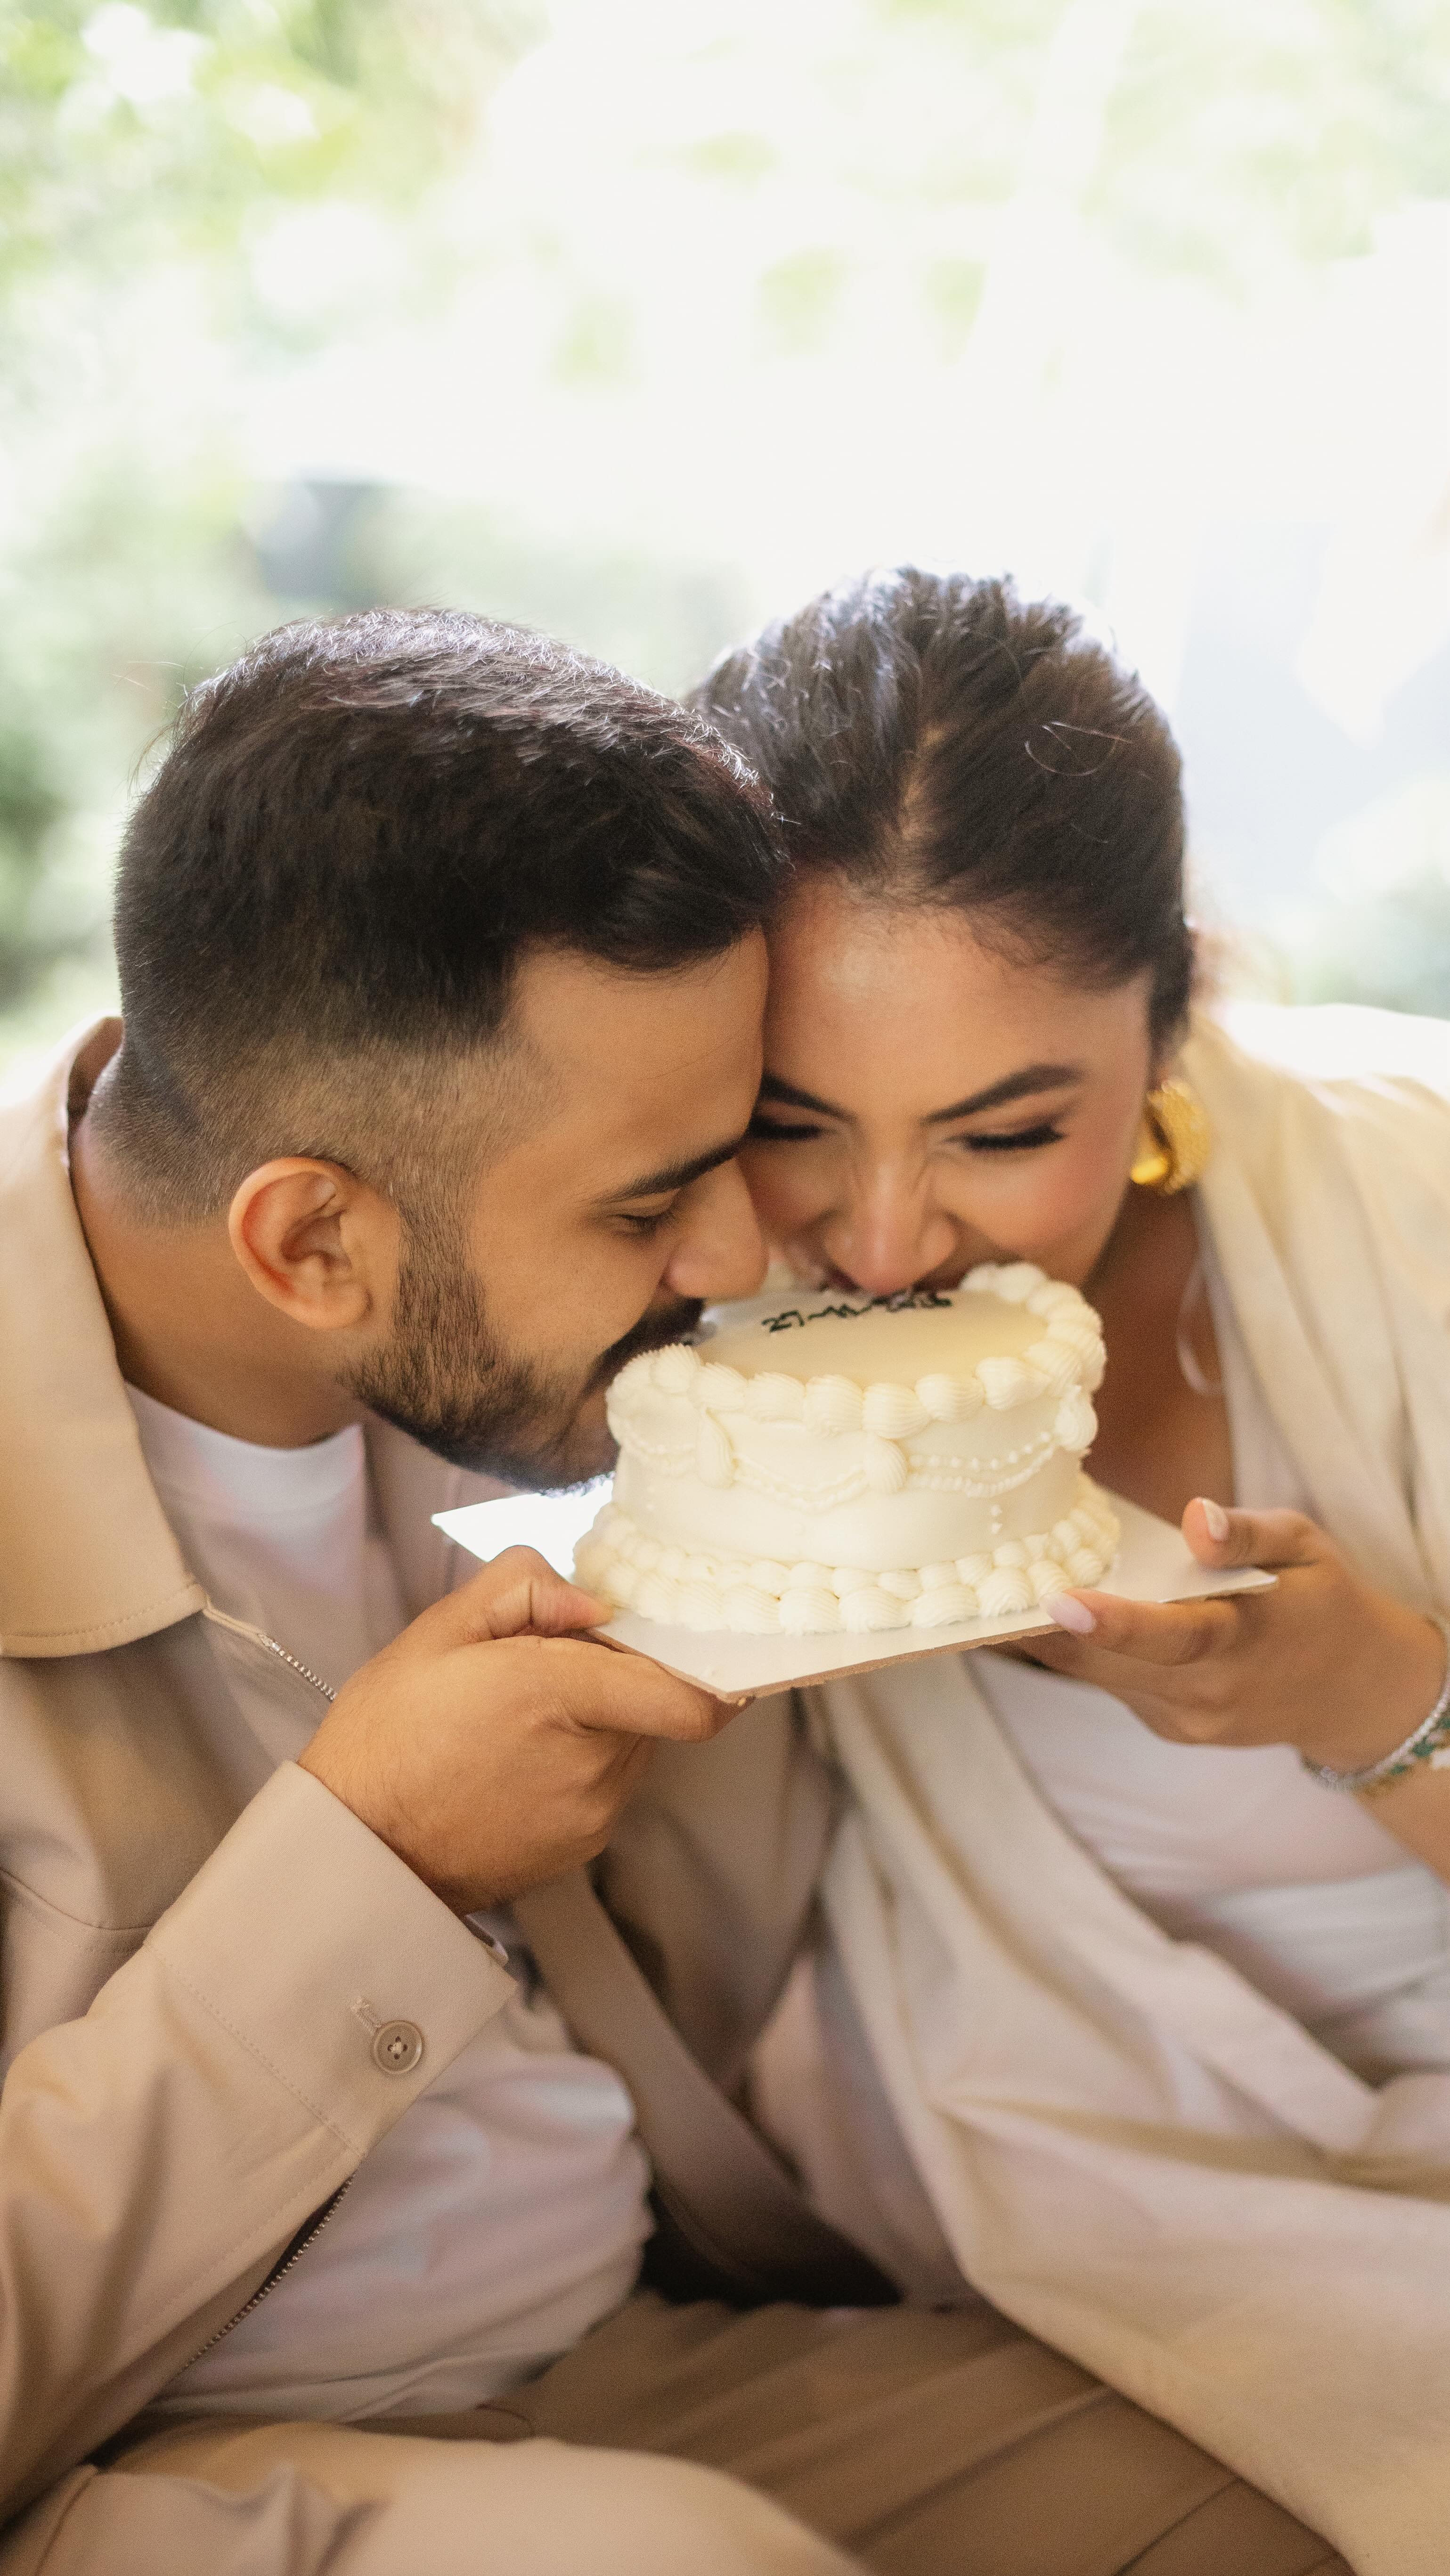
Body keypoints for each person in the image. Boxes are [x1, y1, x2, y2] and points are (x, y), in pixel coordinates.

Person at [0, 603, 1355, 2576]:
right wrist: (372, 1865)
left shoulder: (511, 1355)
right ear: (308, 1237)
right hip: (170, 2461)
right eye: (648, 1201)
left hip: (637, 2345)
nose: (747, 1249)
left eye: (745, 1141)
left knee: (1329, 2466)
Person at [689, 567, 1450, 2576]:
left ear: (1173, 1018)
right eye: (790, 1123)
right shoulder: (671, 1313)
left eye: (1004, 1129)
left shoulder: (1416, 1207)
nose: (874, 1240)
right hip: (1070, 2181)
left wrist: (1371, 1699)